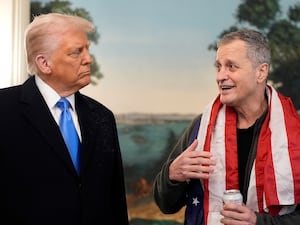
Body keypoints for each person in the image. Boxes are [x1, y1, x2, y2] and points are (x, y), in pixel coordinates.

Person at [153, 29, 300, 225]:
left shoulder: (295, 133)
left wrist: (260, 223)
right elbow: (165, 204)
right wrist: (172, 175)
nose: (220, 76)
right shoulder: (201, 127)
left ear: (261, 72)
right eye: (218, 67)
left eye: (231, 66)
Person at [0, 13, 129, 225]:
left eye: (87, 49)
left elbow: (114, 201)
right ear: (44, 63)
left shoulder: (103, 117)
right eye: (76, 52)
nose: (89, 59)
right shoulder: (4, 110)